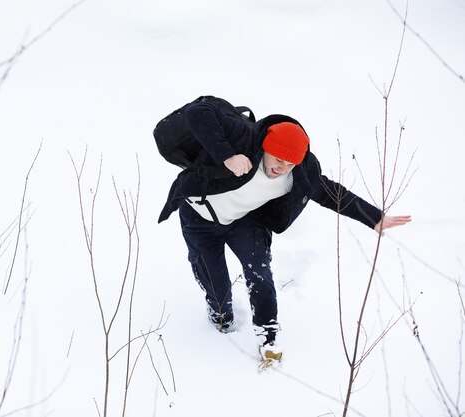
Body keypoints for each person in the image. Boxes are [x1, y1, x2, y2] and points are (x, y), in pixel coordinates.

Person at [156, 96, 411, 364]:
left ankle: (267, 335)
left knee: (260, 273)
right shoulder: (242, 139)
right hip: (199, 218)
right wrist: (227, 156)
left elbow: (331, 193)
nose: (282, 168)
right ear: (266, 147)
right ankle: (221, 316)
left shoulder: (299, 172)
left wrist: (374, 218)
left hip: (244, 221)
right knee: (214, 279)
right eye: (278, 159)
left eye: (290, 164)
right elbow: (200, 110)